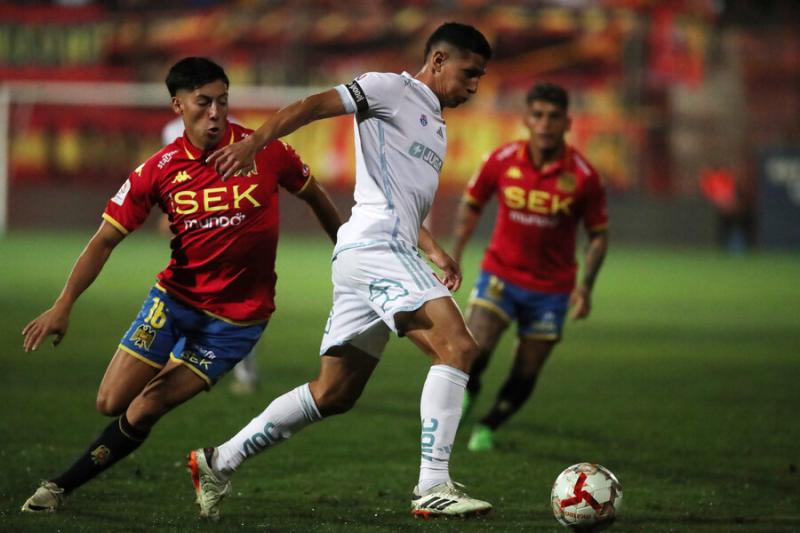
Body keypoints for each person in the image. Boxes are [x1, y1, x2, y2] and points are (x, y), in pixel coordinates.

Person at [187, 22, 493, 520]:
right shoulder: (389, 88)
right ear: (438, 61)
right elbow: (308, 106)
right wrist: (253, 144)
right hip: (374, 250)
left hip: (375, 251)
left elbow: (396, 200)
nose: (475, 85)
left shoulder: (434, 123)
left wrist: (432, 249)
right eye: (470, 73)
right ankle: (432, 486)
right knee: (457, 347)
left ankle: (218, 461)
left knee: (334, 392)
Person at [20, 57, 342, 513]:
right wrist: (63, 304)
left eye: (223, 101)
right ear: (178, 105)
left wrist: (346, 252)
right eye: (204, 102)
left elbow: (315, 195)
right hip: (175, 301)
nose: (216, 112)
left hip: (236, 322)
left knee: (149, 406)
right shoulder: (159, 168)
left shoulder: (262, 150)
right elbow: (105, 239)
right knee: (111, 400)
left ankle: (57, 488)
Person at [450, 82, 608, 452]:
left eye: (554, 117)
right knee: (475, 348)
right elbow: (472, 203)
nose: (545, 124)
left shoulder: (584, 176)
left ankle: (488, 426)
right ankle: (469, 391)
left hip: (552, 291)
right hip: (501, 275)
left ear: (567, 122)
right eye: (538, 115)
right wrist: (454, 252)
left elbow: (598, 234)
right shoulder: (501, 159)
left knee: (526, 370)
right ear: (526, 119)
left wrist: (586, 287)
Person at [161, 115, 261, 394]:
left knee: (232, 301)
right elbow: (173, 175)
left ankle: (243, 372)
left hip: (228, 224)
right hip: (195, 228)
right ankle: (188, 361)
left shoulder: (239, 131)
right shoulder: (171, 131)